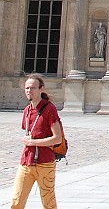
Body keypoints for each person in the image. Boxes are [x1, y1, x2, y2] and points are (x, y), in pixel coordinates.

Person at [11, 74, 63, 209]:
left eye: (33, 88)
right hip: (26, 161)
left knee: (48, 203)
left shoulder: (49, 109)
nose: (29, 91)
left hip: (45, 163)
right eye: (27, 88)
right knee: (16, 202)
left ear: (41, 89)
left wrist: (33, 142)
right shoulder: (27, 111)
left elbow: (57, 138)